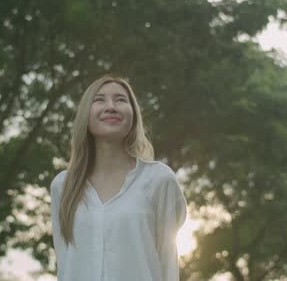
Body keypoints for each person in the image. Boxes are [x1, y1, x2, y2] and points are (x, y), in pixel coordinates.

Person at [49, 74, 187, 281]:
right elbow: (64, 262)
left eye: (121, 100)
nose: (111, 106)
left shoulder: (159, 179)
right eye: (99, 100)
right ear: (86, 115)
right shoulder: (63, 185)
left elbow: (168, 261)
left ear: (133, 115)